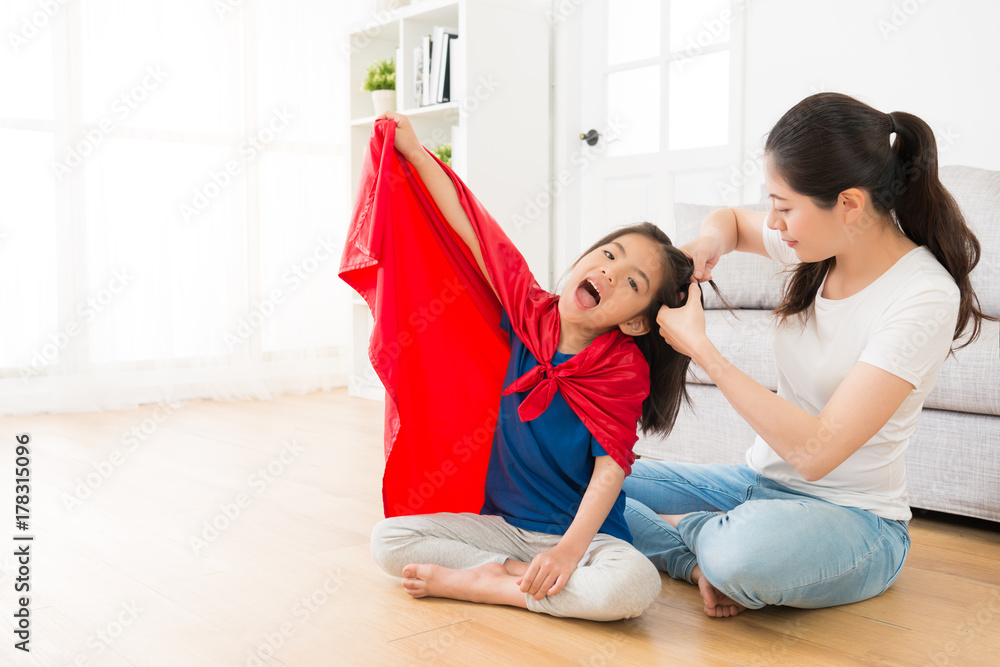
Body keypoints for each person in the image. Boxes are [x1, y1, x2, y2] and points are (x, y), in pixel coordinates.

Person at [623, 92, 994, 618]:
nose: (773, 223)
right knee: (587, 475)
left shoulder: (923, 294)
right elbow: (729, 219)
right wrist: (710, 238)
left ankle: (702, 537)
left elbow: (818, 454)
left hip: (855, 519)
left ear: (849, 204)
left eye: (783, 207)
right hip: (757, 485)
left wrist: (703, 350)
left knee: (741, 555)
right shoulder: (823, 245)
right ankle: (698, 558)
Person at [367, 111, 698, 621]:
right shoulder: (529, 311)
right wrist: (415, 152)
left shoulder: (622, 367)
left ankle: (492, 585)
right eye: (609, 255)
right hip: (502, 526)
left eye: (632, 284)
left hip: (584, 539)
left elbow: (611, 471)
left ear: (635, 324)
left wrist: (567, 552)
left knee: (632, 589)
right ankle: (512, 571)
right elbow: (478, 230)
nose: (609, 273)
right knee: (389, 540)